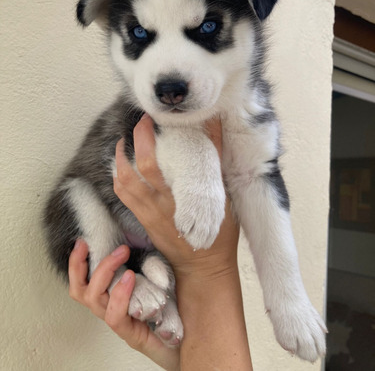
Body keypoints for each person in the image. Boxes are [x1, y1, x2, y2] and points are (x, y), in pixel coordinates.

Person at [68, 115, 253, 370]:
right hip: (102, 206)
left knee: (162, 269)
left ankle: (137, 277)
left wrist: (207, 265)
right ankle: (118, 275)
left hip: (151, 247)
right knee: (76, 193)